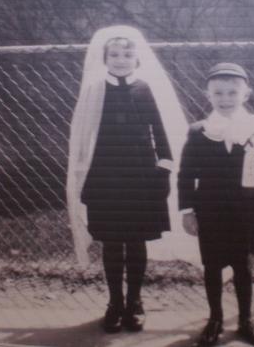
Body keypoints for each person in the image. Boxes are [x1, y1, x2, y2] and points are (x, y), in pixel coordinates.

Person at [66, 25, 191, 334]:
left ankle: (135, 302)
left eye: (127, 54)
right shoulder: (95, 91)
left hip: (140, 176)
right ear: (104, 58)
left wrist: (163, 170)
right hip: (106, 178)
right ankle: (114, 303)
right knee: (111, 242)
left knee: (135, 242)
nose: (121, 60)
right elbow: (82, 137)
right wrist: (83, 177)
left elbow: (160, 133)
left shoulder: (145, 89)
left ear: (137, 58)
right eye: (115, 54)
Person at [178, 63, 254, 347]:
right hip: (210, 211)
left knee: (243, 266)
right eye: (219, 93)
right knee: (212, 266)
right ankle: (215, 318)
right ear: (208, 95)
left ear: (245, 94)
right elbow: (186, 174)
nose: (225, 98)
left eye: (232, 92)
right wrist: (187, 210)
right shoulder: (199, 131)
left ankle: (245, 320)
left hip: (246, 212)